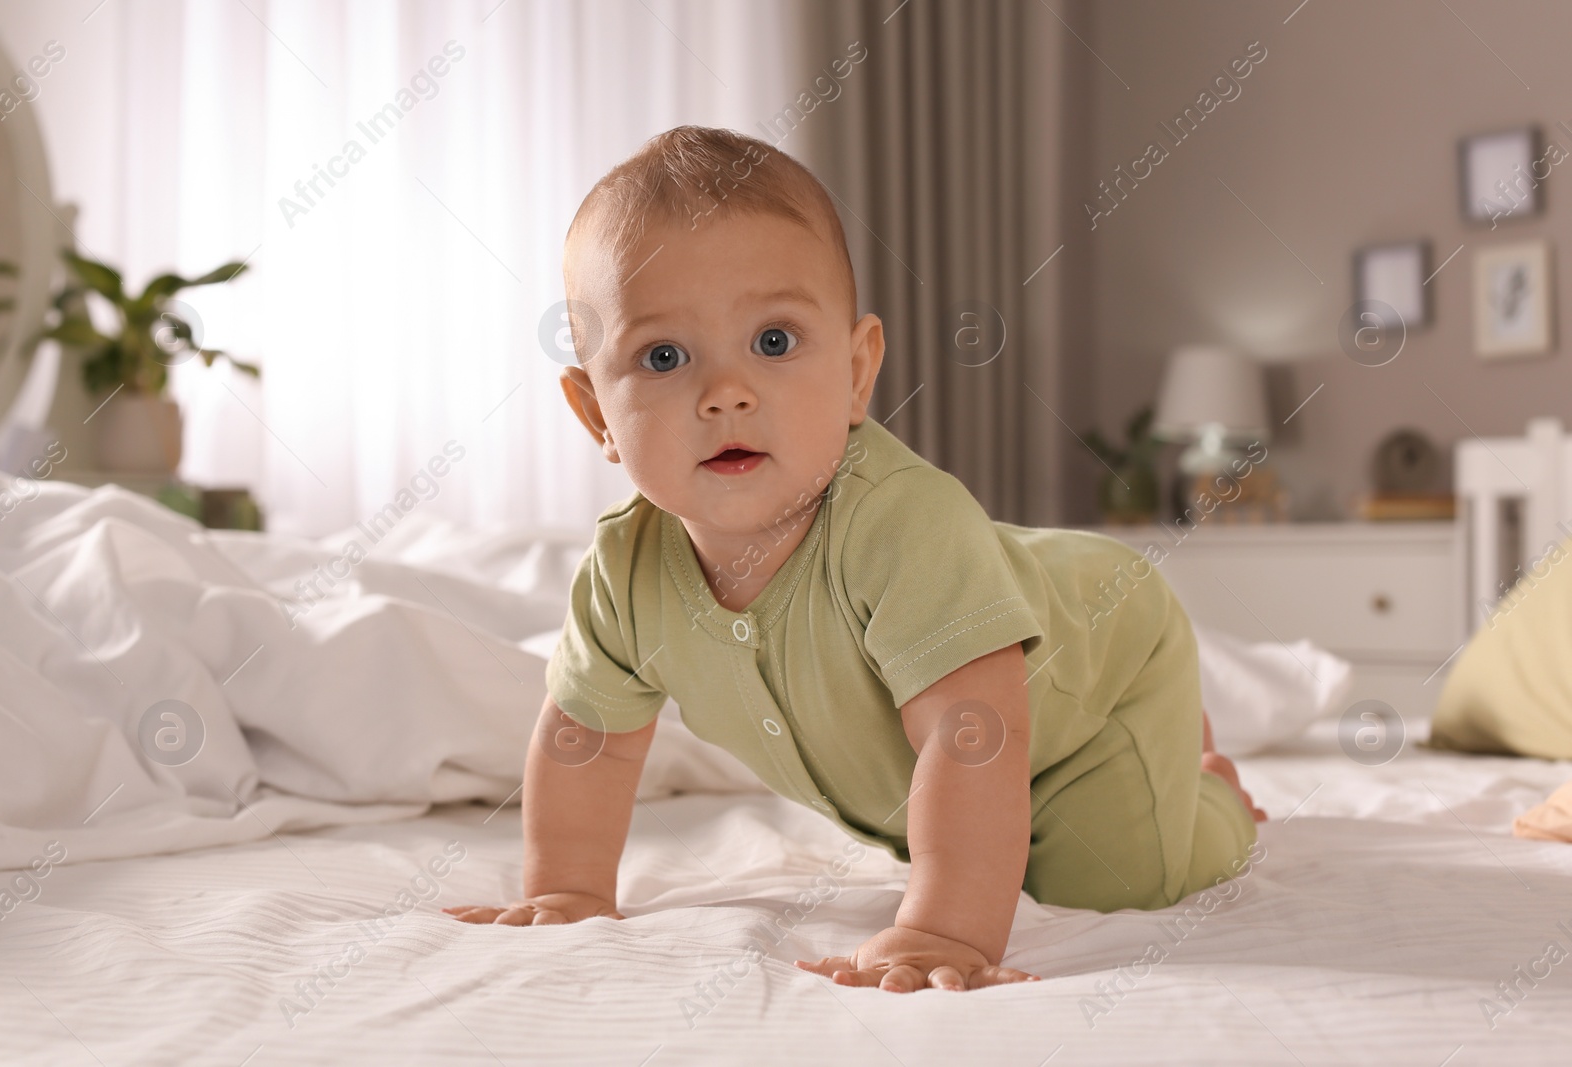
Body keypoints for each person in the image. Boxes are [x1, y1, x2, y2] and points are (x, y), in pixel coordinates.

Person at [446, 126, 1264, 994]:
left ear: (857, 369)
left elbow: (972, 733)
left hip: (1101, 660)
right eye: (663, 356)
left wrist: (943, 930)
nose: (726, 391)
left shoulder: (899, 529)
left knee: (1110, 879)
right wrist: (568, 888)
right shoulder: (625, 571)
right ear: (595, 413)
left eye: (773, 341)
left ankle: (1211, 795)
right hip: (974, 650)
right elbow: (590, 743)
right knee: (951, 826)